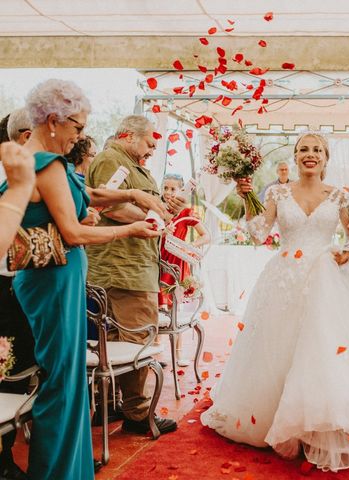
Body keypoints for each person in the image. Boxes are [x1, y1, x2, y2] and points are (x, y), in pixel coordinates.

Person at [201, 133, 349, 472]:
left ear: (326, 157)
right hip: (283, 279)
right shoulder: (277, 192)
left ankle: (322, 420)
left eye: (317, 149)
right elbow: (260, 233)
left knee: (323, 350)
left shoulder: (340, 195)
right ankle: (278, 418)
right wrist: (247, 199)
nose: (310, 155)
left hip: (324, 280)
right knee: (278, 349)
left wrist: (348, 252)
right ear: (296, 156)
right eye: (304, 149)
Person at [0, 79, 162, 480]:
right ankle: (57, 472)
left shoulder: (32, 159)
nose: (80, 135)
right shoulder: (47, 163)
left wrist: (130, 197)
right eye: (77, 126)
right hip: (54, 281)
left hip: (48, 279)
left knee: (64, 377)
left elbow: (83, 193)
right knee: (63, 382)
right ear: (53, 121)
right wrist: (130, 230)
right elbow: (73, 233)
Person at [86, 115, 183, 436]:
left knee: (123, 338)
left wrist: (163, 206)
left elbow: (141, 207)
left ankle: (117, 403)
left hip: (131, 265)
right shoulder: (111, 160)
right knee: (137, 336)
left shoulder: (126, 163)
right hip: (122, 269)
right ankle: (137, 412)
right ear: (128, 135)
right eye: (149, 142)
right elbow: (109, 207)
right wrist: (153, 214)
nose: (153, 148)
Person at [0, 118, 34, 480]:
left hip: (20, 284)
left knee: (20, 365)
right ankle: (4, 458)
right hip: (5, 287)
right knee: (8, 369)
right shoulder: (12, 177)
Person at [158, 173, 210, 366]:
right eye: (166, 188)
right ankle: (155, 347)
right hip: (157, 259)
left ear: (181, 190)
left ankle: (177, 354)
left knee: (173, 307)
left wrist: (188, 246)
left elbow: (206, 235)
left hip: (176, 263)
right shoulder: (158, 208)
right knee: (155, 304)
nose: (169, 193)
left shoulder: (186, 212)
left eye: (173, 189)